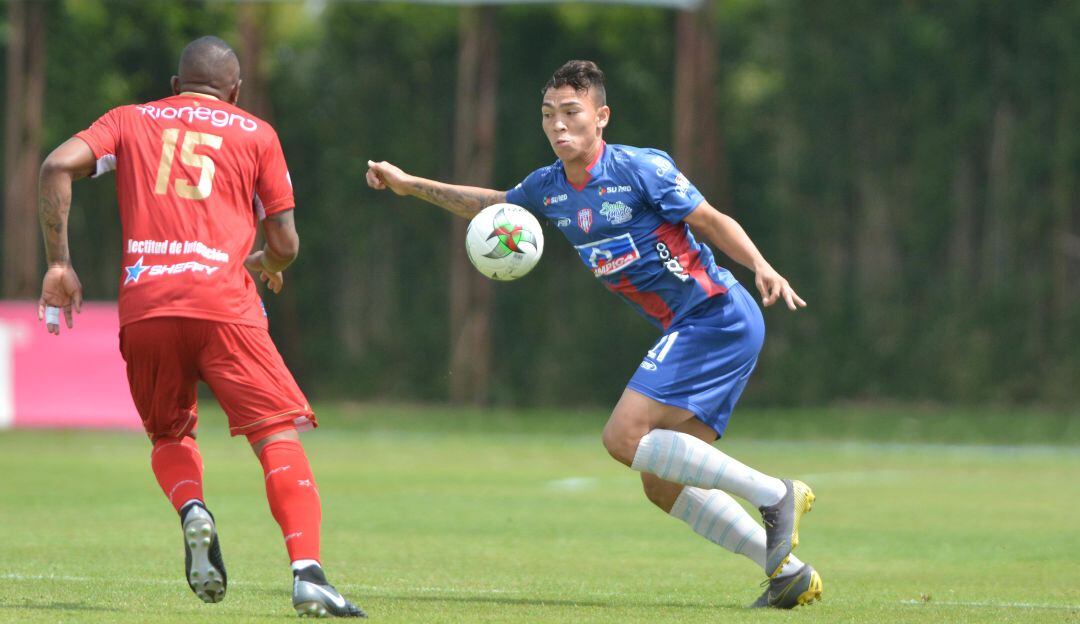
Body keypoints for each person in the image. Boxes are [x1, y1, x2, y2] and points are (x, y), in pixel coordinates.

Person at [366, 60, 822, 609]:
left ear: (601, 117)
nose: (558, 125)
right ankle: (787, 574)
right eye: (548, 115)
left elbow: (710, 219)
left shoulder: (640, 169)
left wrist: (761, 265)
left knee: (622, 437)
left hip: (716, 315)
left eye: (571, 112)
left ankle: (775, 495)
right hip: (695, 325)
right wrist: (409, 185)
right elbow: (491, 205)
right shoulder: (549, 188)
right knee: (661, 483)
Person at [37, 36, 365, 618]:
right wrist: (269, 262)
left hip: (147, 306)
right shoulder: (257, 133)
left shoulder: (129, 120)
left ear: (174, 85)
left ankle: (193, 509)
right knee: (275, 434)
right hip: (225, 307)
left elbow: (57, 164)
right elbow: (286, 240)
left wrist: (60, 264)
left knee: (170, 435)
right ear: (234, 91)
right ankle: (308, 574)